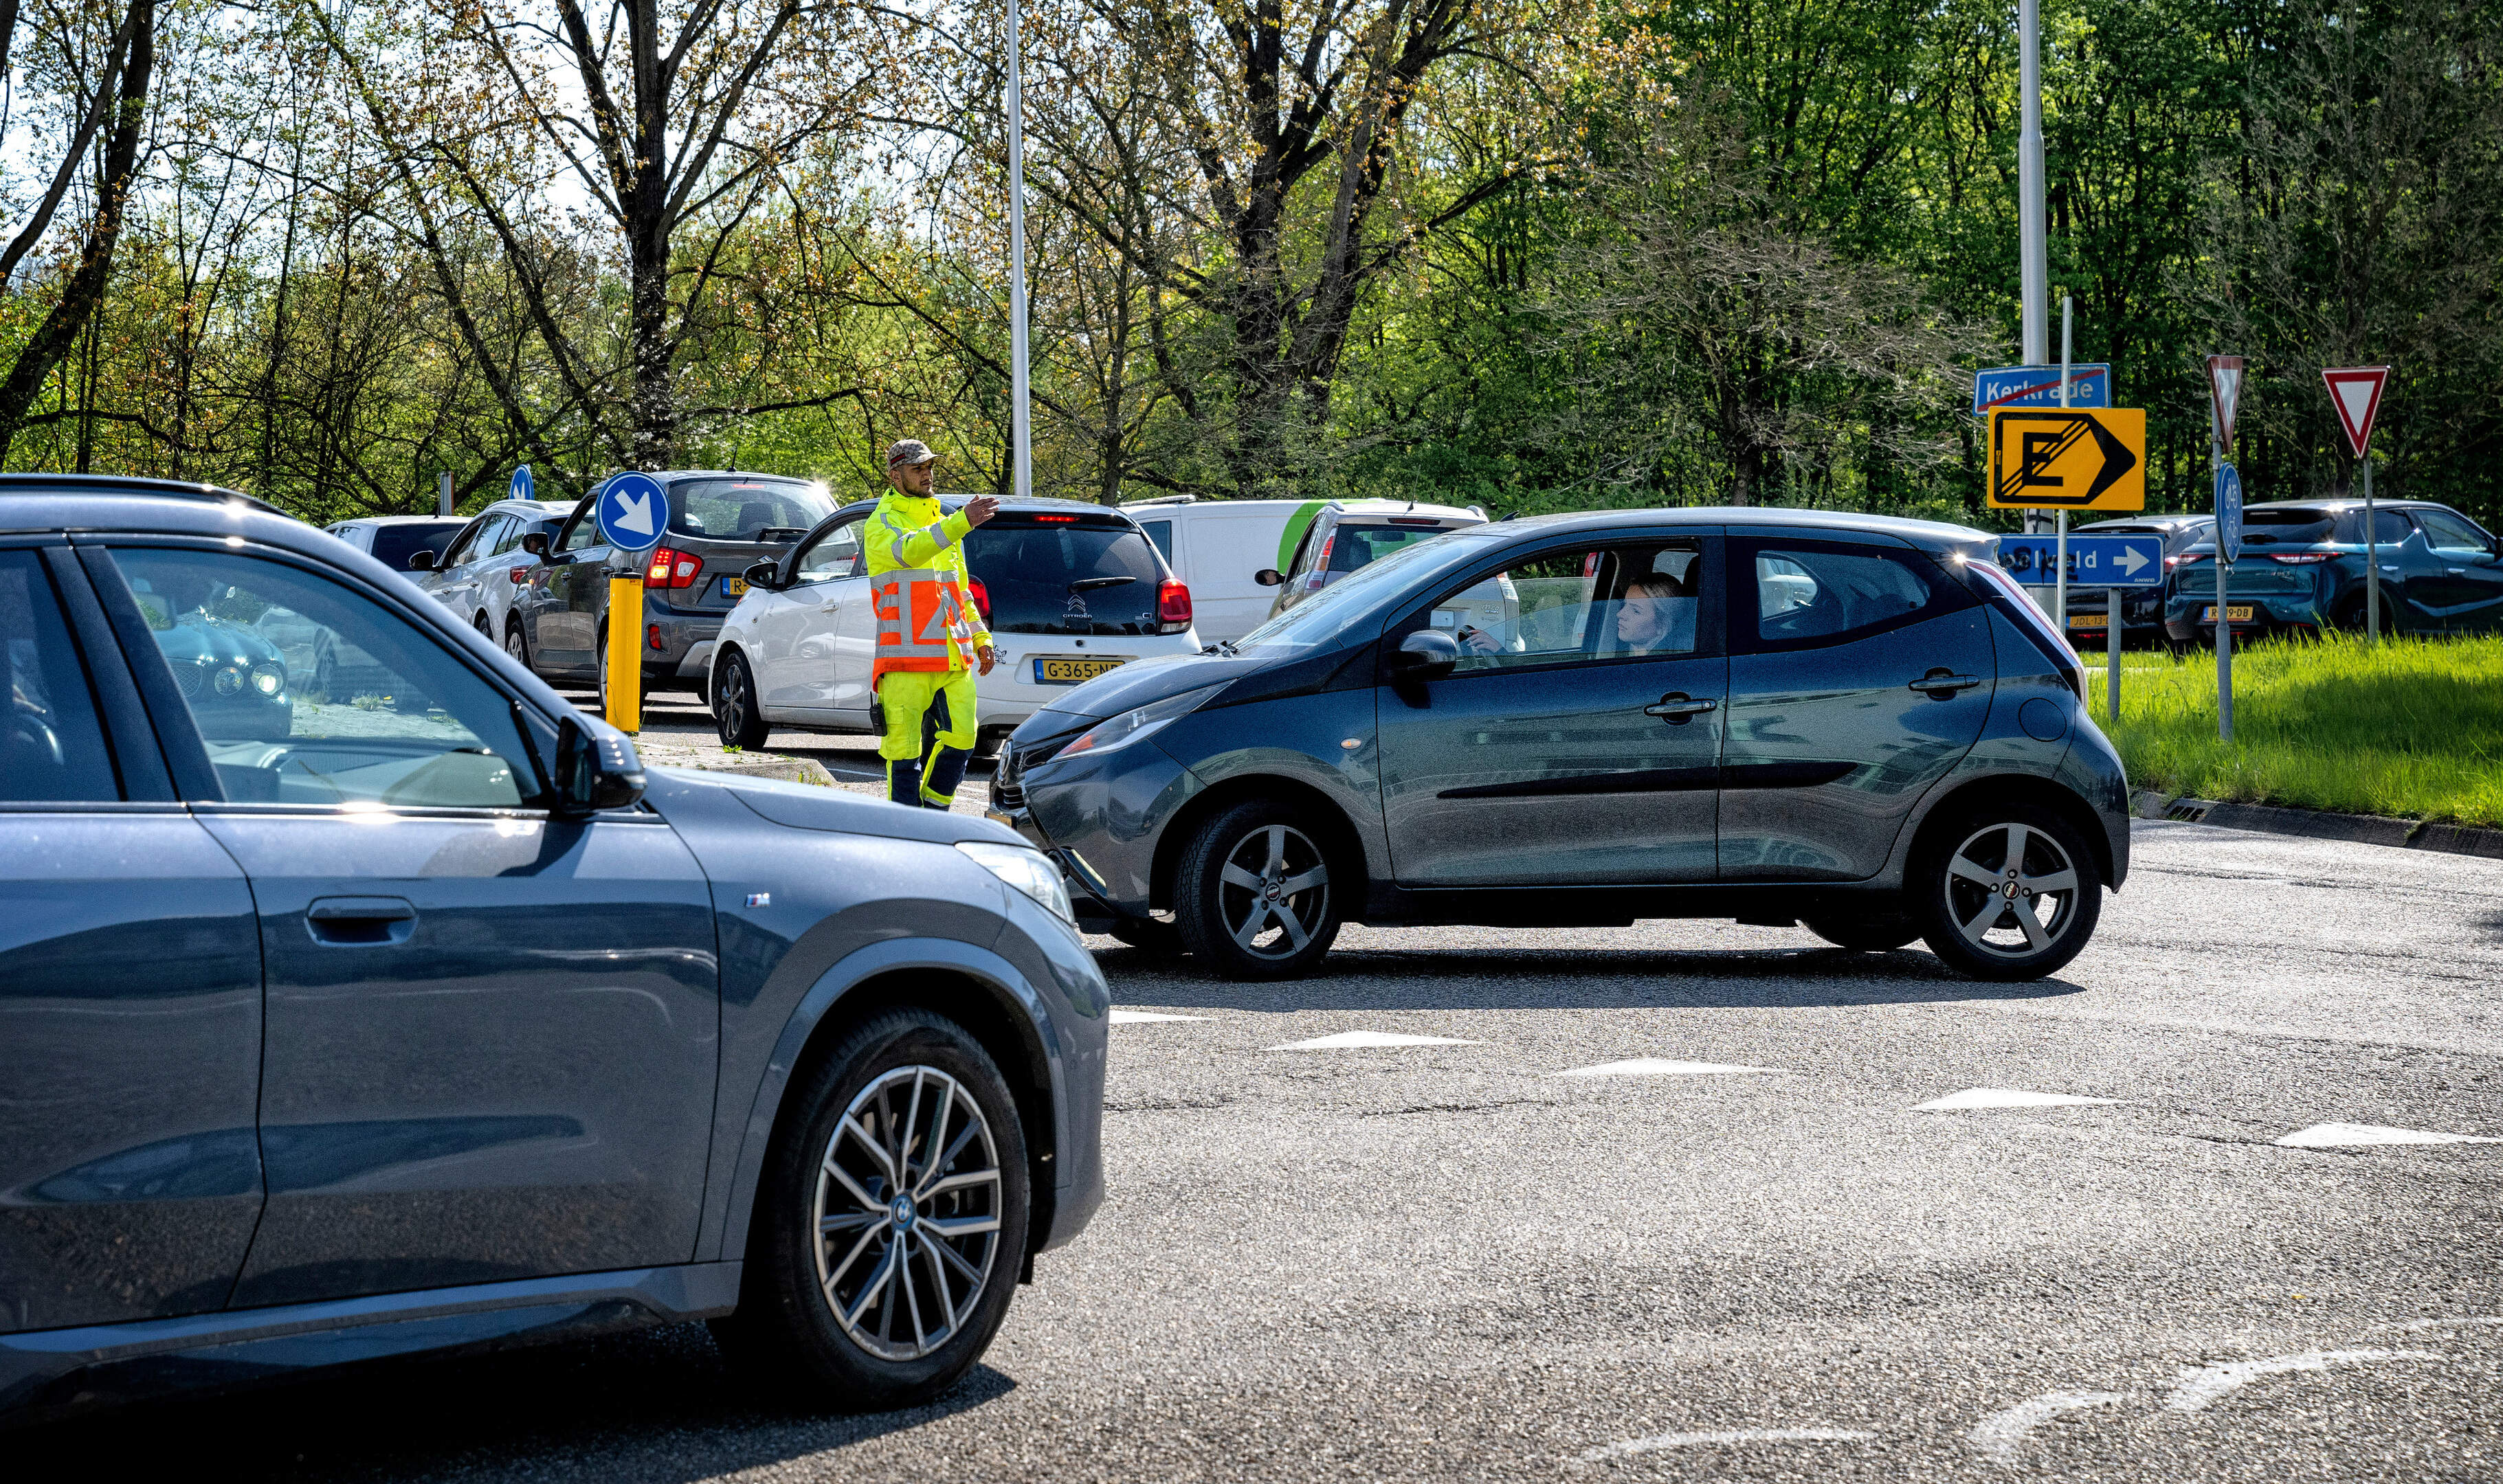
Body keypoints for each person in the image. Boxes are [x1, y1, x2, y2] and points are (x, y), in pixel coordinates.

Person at [864, 440, 997, 808]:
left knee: (964, 740)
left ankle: (935, 813)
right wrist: (961, 522)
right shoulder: (882, 523)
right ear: (895, 476)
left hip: (953, 657)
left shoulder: (944, 525)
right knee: (903, 752)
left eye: (929, 467)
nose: (927, 474)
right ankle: (907, 827)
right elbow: (909, 551)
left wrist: (981, 638)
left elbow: (960, 592)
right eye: (918, 468)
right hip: (905, 659)